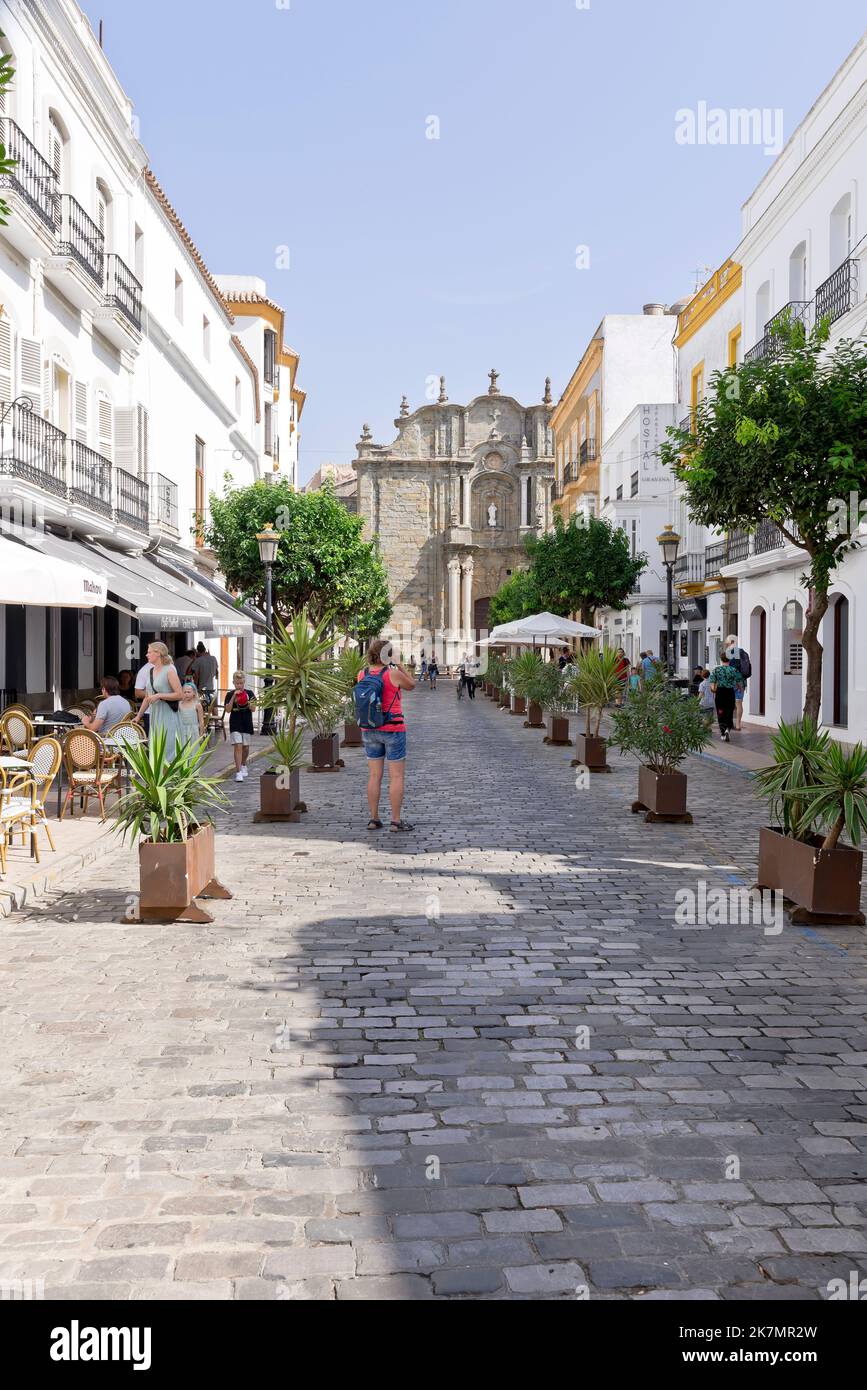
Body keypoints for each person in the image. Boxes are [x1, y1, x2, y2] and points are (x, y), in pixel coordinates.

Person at [357, 637, 416, 832]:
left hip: (369, 729)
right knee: (396, 777)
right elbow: (412, 685)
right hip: (393, 728)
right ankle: (396, 821)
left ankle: (374, 819)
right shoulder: (393, 674)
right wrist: (399, 665)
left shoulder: (362, 674)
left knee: (374, 775)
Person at [134, 641, 182, 754]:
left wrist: (159, 695)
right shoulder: (151, 671)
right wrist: (138, 716)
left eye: (149, 652)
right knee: (156, 750)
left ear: (158, 653)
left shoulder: (170, 670)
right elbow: (147, 697)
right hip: (155, 715)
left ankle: (168, 772)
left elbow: (180, 694)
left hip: (168, 715)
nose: (146, 655)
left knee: (168, 749)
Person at [225, 672, 256, 781]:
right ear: (233, 683)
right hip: (235, 722)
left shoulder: (250, 693)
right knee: (238, 746)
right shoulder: (229, 694)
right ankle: (238, 772)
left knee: (245, 747)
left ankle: (243, 764)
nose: (239, 685)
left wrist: (246, 700)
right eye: (237, 683)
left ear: (244, 683)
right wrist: (234, 696)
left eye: (241, 683)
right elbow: (228, 710)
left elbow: (253, 709)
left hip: (246, 722)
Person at [709, 654, 742, 743]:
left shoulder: (717, 669)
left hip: (720, 692)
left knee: (720, 712)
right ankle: (728, 728)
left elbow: (712, 682)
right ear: (729, 660)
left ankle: (723, 733)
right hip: (730, 692)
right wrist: (739, 688)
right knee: (729, 711)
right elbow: (739, 681)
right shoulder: (733, 670)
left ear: (721, 659)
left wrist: (713, 689)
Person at [724, 634, 750, 732]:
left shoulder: (729, 652)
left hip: (731, 682)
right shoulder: (743, 652)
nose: (726, 644)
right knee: (739, 703)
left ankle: (728, 723)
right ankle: (738, 724)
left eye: (727, 642)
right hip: (742, 682)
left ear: (731, 642)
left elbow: (727, 668)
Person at [178, 677, 205, 746]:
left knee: (193, 750)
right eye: (184, 692)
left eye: (189, 692)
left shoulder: (197, 705)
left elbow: (201, 721)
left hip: (194, 731)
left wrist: (201, 735)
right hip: (182, 731)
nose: (186, 694)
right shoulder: (179, 704)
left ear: (194, 693)